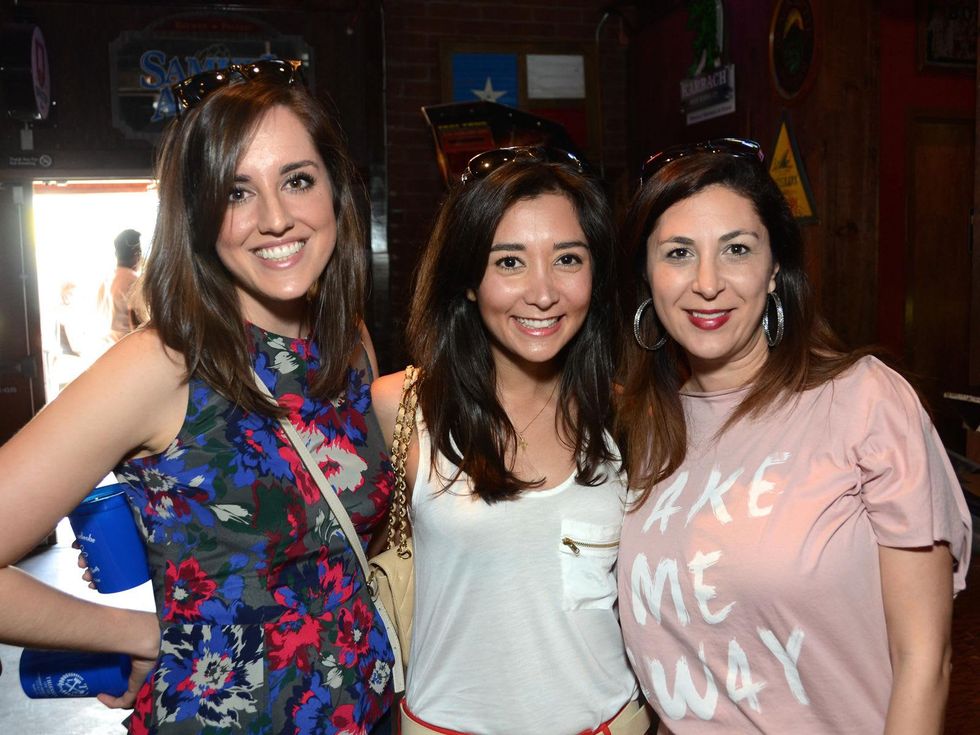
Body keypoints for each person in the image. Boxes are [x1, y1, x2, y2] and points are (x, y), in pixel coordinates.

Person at [0, 60, 395, 733]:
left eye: (297, 180)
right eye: (236, 192)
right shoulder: (162, 365)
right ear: (199, 214)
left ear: (335, 192)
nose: (275, 218)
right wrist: (133, 633)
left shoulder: (349, 340)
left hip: (370, 711)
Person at [614, 138, 972, 734]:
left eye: (736, 249)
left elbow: (925, 662)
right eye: (678, 252)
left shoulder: (863, 402)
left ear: (775, 269)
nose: (707, 282)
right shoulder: (646, 429)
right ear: (648, 276)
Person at [371, 146, 650, 734]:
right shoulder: (400, 407)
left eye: (568, 258)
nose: (543, 292)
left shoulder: (627, 417)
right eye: (509, 263)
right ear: (467, 281)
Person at [103, 228, 144, 342]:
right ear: (137, 253)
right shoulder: (133, 280)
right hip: (126, 340)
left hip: (113, 340)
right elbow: (135, 319)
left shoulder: (112, 277)